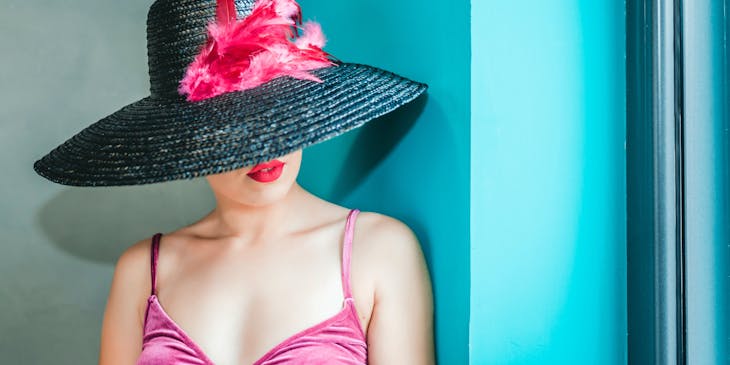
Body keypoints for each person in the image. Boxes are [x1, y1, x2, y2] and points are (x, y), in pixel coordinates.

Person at [32, 0, 433, 363]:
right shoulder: (142, 271)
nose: (263, 149)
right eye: (228, 127)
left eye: (276, 112)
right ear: (183, 140)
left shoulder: (378, 250)